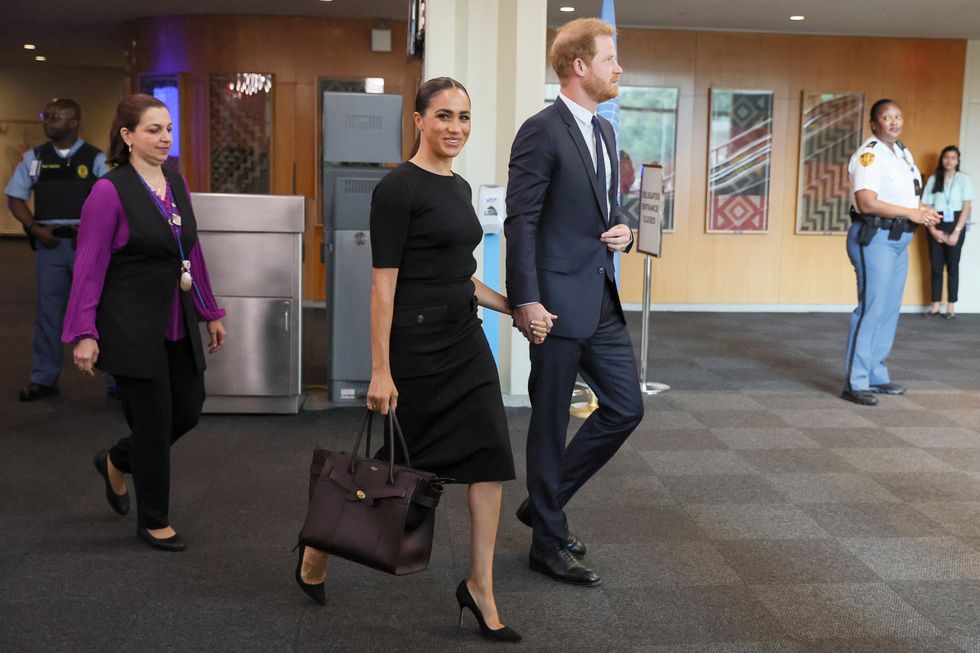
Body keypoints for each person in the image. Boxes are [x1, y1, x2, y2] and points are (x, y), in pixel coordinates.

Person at [296, 78, 543, 643]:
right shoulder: (397, 190)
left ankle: (480, 586)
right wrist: (379, 370)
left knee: (489, 455)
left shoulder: (456, 189)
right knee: (398, 468)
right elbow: (382, 288)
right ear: (418, 120)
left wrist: (515, 310)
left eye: (465, 117)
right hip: (416, 346)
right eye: (444, 116)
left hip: (464, 340)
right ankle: (318, 545)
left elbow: (459, 275)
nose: (456, 127)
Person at [504, 17, 644, 587]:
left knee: (626, 408)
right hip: (554, 304)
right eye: (611, 59)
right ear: (579, 66)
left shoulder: (605, 132)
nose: (619, 68)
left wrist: (625, 231)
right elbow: (522, 220)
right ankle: (548, 541)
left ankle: (544, 505)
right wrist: (525, 300)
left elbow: (606, 209)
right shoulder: (541, 129)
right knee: (550, 422)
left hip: (600, 296)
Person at [62, 94, 227, 551]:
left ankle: (117, 459)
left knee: (188, 409)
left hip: (176, 319)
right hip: (130, 323)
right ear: (127, 136)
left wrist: (210, 311)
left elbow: (190, 251)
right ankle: (154, 519)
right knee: (154, 425)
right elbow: (90, 265)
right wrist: (84, 332)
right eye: (153, 129)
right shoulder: (109, 190)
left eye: (168, 128)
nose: (165, 138)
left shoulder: (176, 184)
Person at [5, 98, 109, 401]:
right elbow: (15, 197)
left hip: (87, 246)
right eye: (46, 116)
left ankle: (116, 379)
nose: (47, 121)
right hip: (51, 246)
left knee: (101, 310)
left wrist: (92, 231)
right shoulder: (35, 158)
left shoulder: (95, 158)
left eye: (54, 117)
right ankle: (44, 378)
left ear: (74, 121)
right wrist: (34, 228)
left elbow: (111, 200)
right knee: (49, 313)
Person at [841, 99, 941, 406]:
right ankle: (855, 381)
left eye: (898, 116)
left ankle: (876, 374)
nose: (894, 122)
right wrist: (911, 214)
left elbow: (902, 196)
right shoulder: (869, 156)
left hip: (899, 239)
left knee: (888, 310)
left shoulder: (901, 153)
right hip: (875, 237)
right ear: (874, 124)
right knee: (871, 309)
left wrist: (922, 210)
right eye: (887, 117)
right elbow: (868, 202)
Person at [922, 145, 974, 319]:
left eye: (953, 157)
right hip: (935, 222)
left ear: (958, 161)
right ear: (941, 159)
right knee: (936, 267)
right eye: (946, 157)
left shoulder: (963, 179)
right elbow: (925, 207)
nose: (949, 160)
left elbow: (967, 207)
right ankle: (935, 305)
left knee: (953, 267)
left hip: (956, 225)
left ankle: (951, 306)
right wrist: (933, 231)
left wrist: (957, 232)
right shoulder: (932, 180)